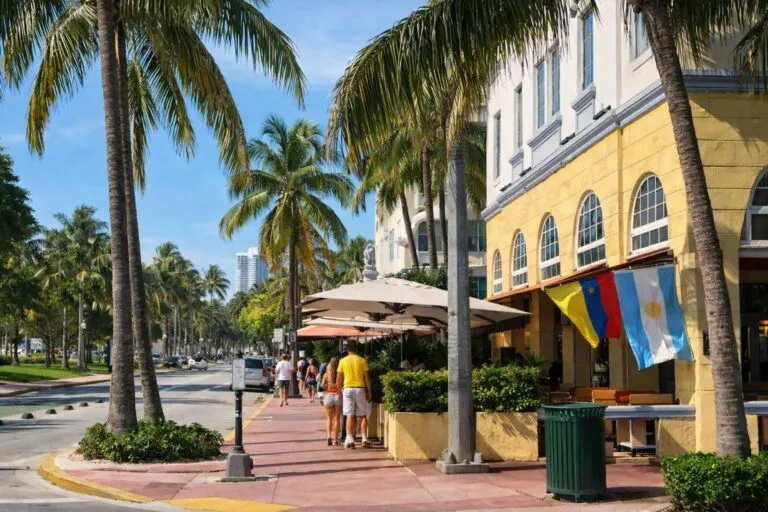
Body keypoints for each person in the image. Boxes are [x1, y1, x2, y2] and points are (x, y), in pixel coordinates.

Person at [336, 339, 372, 449]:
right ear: (356, 349)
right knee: (363, 415)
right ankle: (364, 438)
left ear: (347, 349)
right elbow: (367, 378)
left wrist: (339, 391)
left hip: (347, 389)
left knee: (349, 414)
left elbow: (339, 379)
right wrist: (369, 391)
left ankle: (350, 438)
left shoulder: (342, 361)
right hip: (360, 389)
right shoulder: (362, 360)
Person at [321, 357, 342, 445]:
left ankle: (329, 436)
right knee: (336, 418)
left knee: (329, 418)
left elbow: (322, 385)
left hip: (329, 395)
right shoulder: (340, 374)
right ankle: (335, 439)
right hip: (338, 395)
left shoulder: (326, 374)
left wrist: (328, 387)